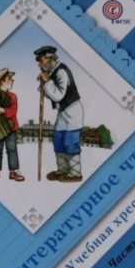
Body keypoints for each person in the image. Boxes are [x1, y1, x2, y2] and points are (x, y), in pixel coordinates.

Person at [35, 45, 83, 182]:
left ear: (50, 58)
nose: (39, 64)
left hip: (72, 112)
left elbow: (58, 96)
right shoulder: (53, 72)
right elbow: (50, 94)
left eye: (41, 60)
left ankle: (75, 173)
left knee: (70, 142)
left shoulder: (61, 71)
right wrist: (43, 84)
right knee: (58, 140)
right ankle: (62, 170)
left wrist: (47, 81)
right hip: (63, 112)